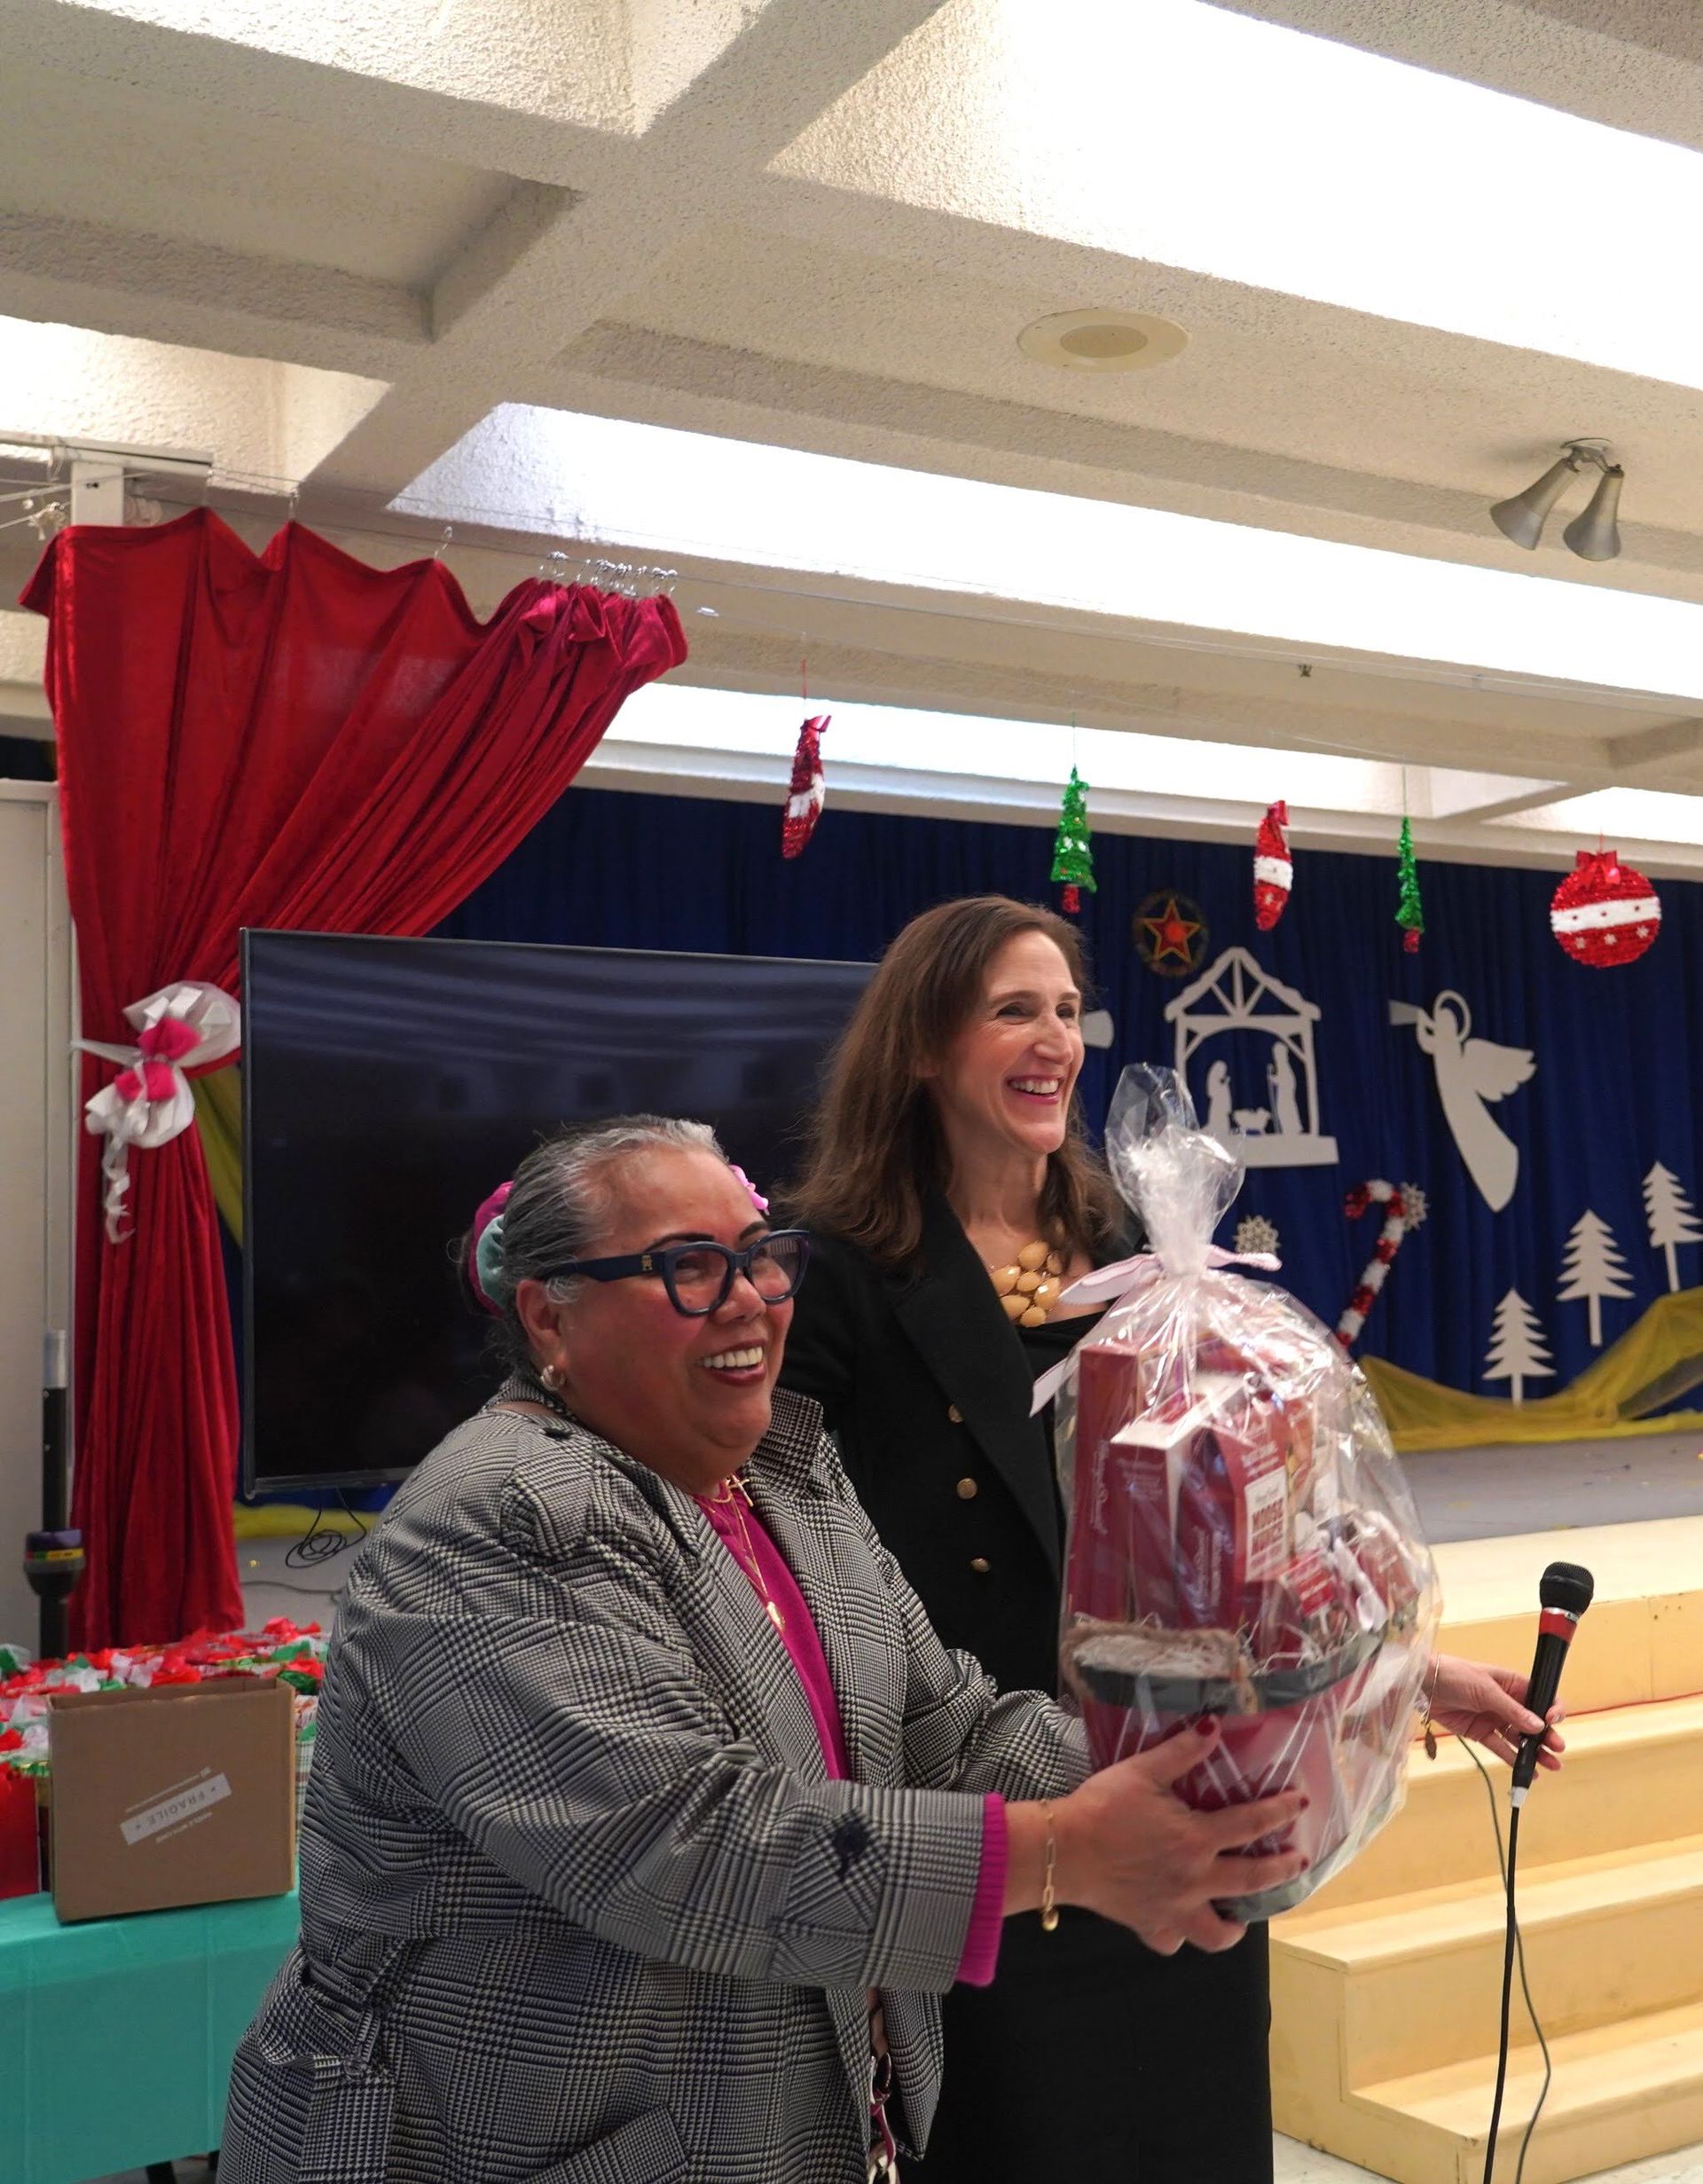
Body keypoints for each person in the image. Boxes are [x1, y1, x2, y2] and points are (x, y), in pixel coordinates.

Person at [222, 1114, 1321, 2184]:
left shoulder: (784, 1473)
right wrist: (1066, 1851)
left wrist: (1219, 1757)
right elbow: (692, 1844)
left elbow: (947, 1727)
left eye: (760, 1256)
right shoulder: (500, 1513)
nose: (748, 1297)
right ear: (550, 1318)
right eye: (688, 1267)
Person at [781, 894, 1563, 2184]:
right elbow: (800, 1582)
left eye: (1066, 1009)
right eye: (1012, 1010)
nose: (1055, 1038)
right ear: (920, 1044)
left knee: (1198, 2141)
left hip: (1190, 1796)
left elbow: (1241, 1560)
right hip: (1002, 1824)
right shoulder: (837, 1280)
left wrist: (1398, 1675)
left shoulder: (1147, 1260)